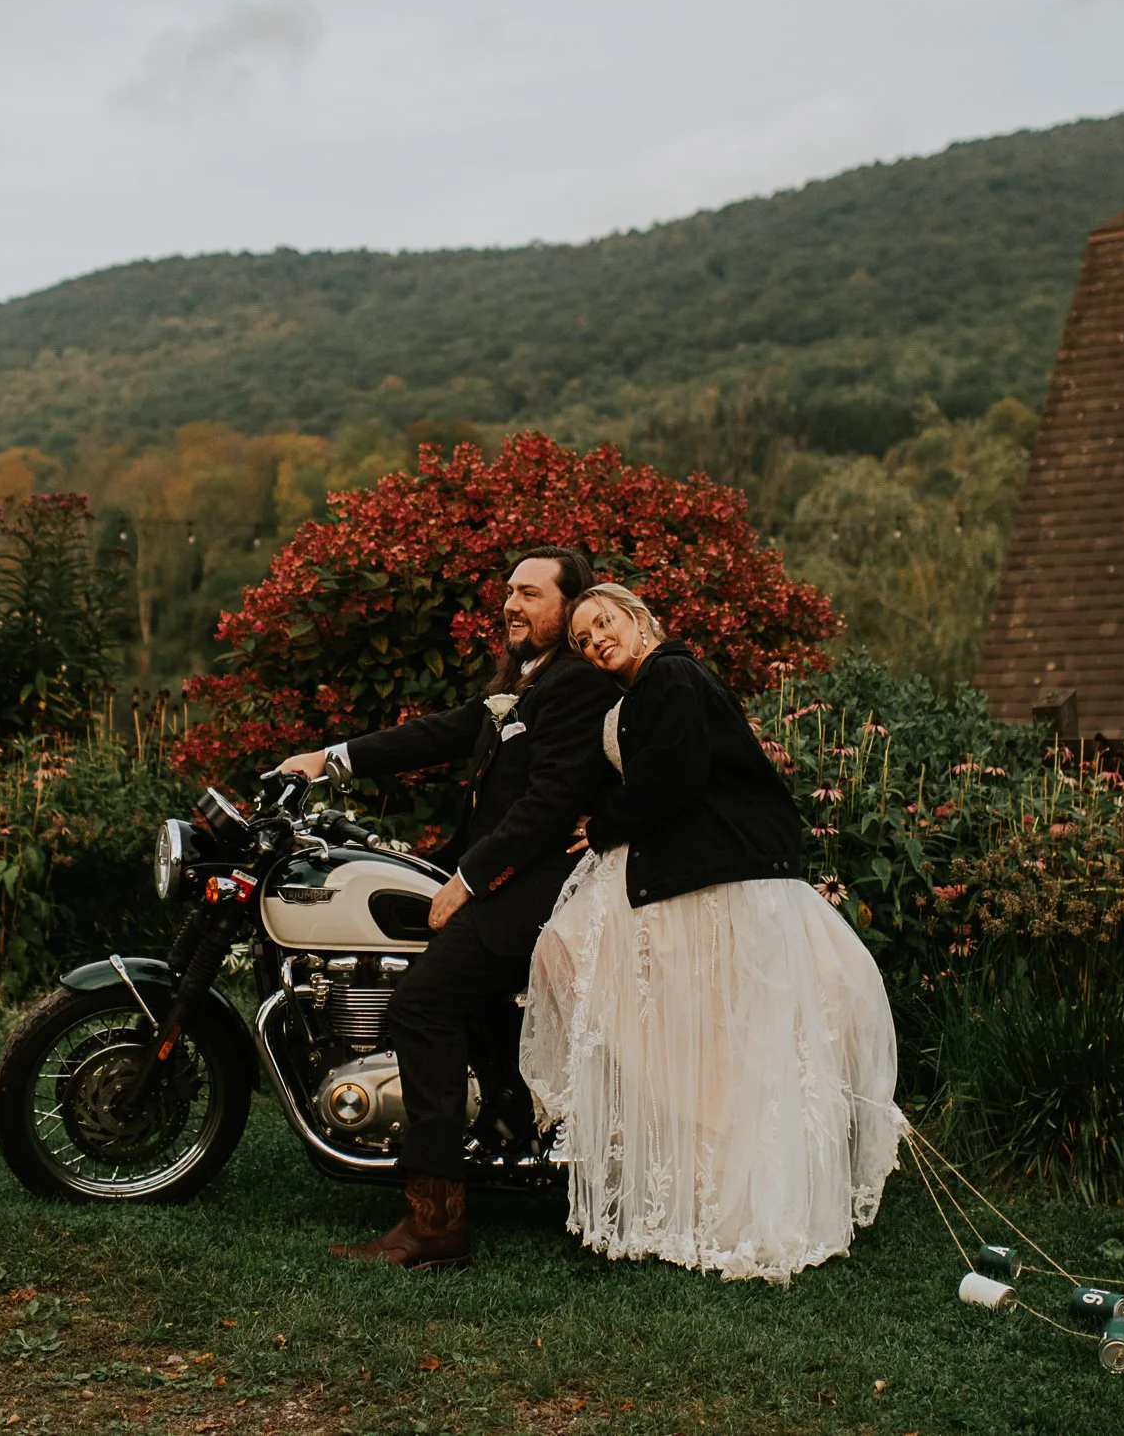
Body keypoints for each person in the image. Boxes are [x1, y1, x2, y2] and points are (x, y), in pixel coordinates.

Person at [518, 582, 902, 1283]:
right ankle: (693, 1184)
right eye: (581, 638)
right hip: (691, 872)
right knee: (706, 1038)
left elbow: (675, 775)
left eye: (604, 622)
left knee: (701, 1035)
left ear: (639, 619)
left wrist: (605, 827)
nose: (595, 639)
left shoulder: (672, 674)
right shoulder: (648, 687)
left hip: (709, 878)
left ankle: (723, 1193)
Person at [278, 546, 615, 1272]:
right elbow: (442, 730)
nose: (512, 604)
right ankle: (498, 1121)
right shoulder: (525, 682)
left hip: (537, 885)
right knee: (457, 1004)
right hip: (509, 877)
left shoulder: (577, 683)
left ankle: (436, 1223)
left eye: (530, 592)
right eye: (509, 592)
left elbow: (550, 803)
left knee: (420, 1008)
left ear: (569, 603)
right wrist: (327, 758)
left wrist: (467, 877)